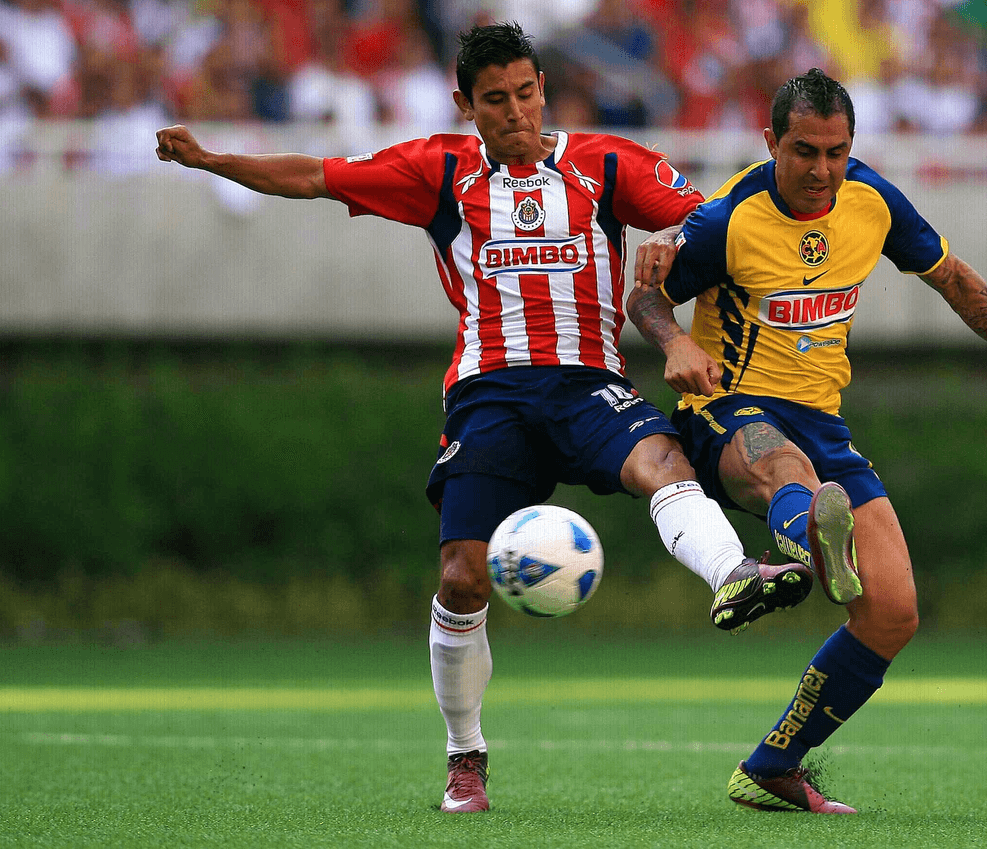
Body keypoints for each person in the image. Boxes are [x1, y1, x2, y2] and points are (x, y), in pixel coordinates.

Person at [155, 21, 811, 815]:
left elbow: (712, 220)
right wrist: (213, 159)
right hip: (489, 394)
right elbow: (316, 176)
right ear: (467, 103)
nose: (516, 112)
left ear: (544, 89)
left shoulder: (606, 163)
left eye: (527, 93)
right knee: (463, 575)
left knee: (662, 462)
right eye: (495, 100)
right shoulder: (437, 171)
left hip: (586, 380)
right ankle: (465, 755)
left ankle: (732, 573)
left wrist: (675, 238)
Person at [627, 68, 987, 814]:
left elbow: (953, 278)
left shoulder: (871, 200)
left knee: (894, 612)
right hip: (727, 407)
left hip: (823, 418)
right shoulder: (728, 220)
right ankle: (808, 534)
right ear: (771, 141)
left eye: (837, 152)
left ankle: (772, 765)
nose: (822, 170)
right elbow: (644, 291)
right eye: (805, 152)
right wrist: (673, 341)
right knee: (792, 468)